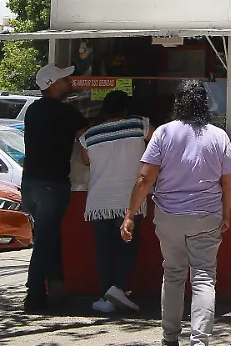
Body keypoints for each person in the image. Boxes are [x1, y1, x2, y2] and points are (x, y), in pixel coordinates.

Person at [121, 80, 231, 346]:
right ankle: (199, 341)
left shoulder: (163, 133)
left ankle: (170, 338)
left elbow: (144, 178)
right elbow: (229, 184)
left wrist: (130, 214)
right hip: (207, 216)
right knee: (204, 278)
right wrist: (227, 215)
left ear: (177, 103)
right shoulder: (218, 136)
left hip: (169, 216)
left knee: (173, 274)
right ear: (205, 104)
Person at [21, 63, 87, 313]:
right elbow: (89, 139)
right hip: (52, 184)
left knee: (49, 236)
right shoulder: (68, 113)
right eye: (64, 79)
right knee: (45, 239)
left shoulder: (32, 111)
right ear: (52, 85)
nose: (69, 82)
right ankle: (35, 293)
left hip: (29, 184)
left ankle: (57, 289)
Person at [79, 89, 151, 314]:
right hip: (128, 199)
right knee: (127, 248)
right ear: (125, 109)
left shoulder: (89, 135)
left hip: (99, 201)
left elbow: (85, 160)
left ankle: (107, 295)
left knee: (104, 250)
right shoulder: (139, 125)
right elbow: (159, 141)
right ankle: (117, 289)